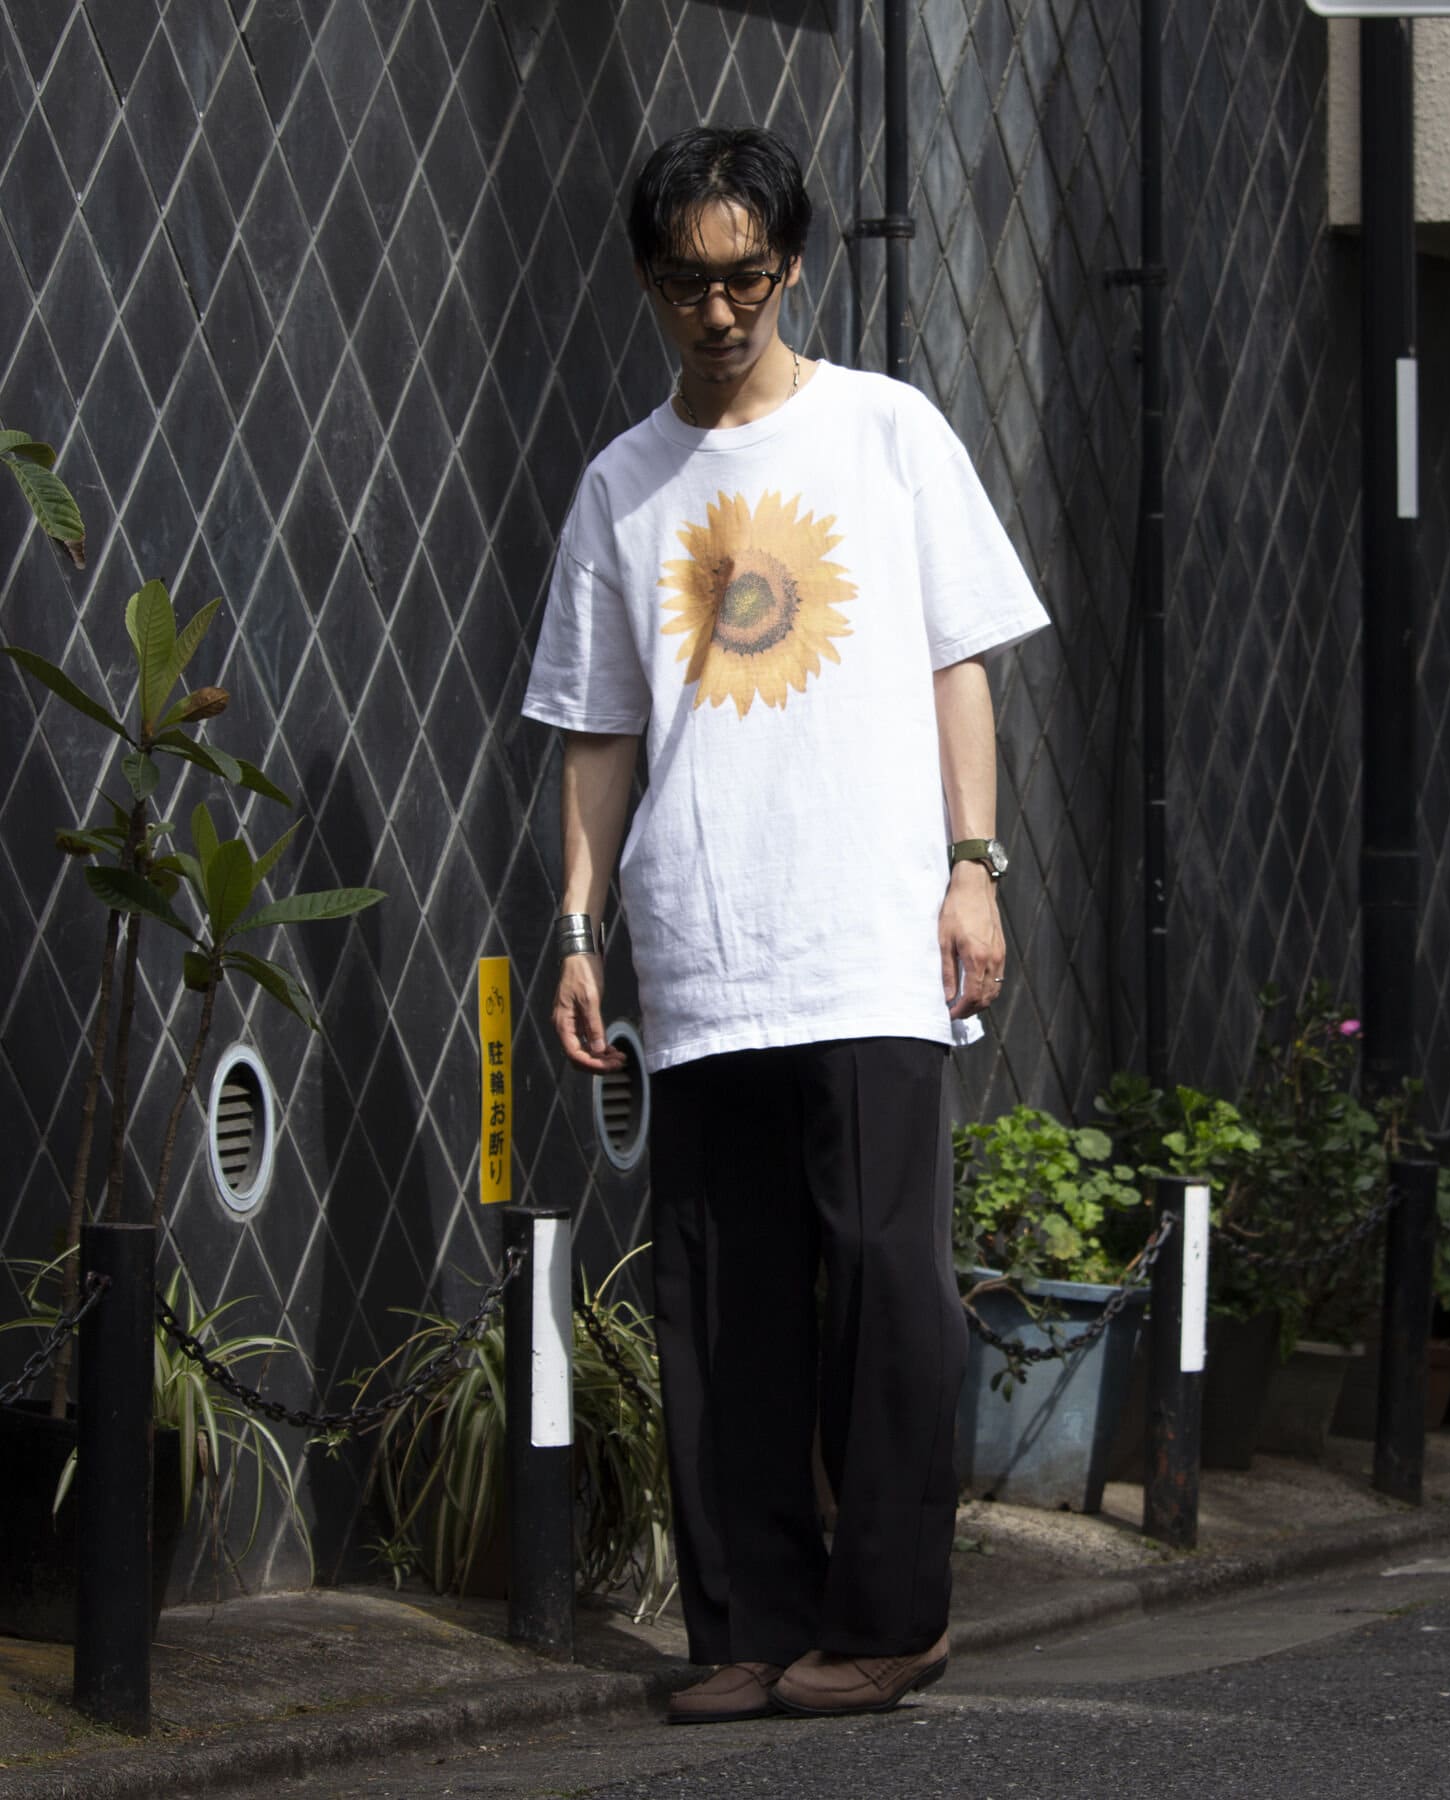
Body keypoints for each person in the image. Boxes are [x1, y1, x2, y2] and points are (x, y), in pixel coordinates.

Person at [521, 124, 1048, 1723]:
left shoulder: (886, 431)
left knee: (885, 1282)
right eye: (686, 280)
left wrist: (974, 865)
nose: (718, 308)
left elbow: (960, 659)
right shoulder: (621, 486)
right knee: (721, 1298)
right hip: (700, 946)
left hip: (870, 934)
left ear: (793, 266)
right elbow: (598, 730)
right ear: (647, 282)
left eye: (745, 276)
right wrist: (576, 929)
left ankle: (891, 1618)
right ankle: (748, 1623)